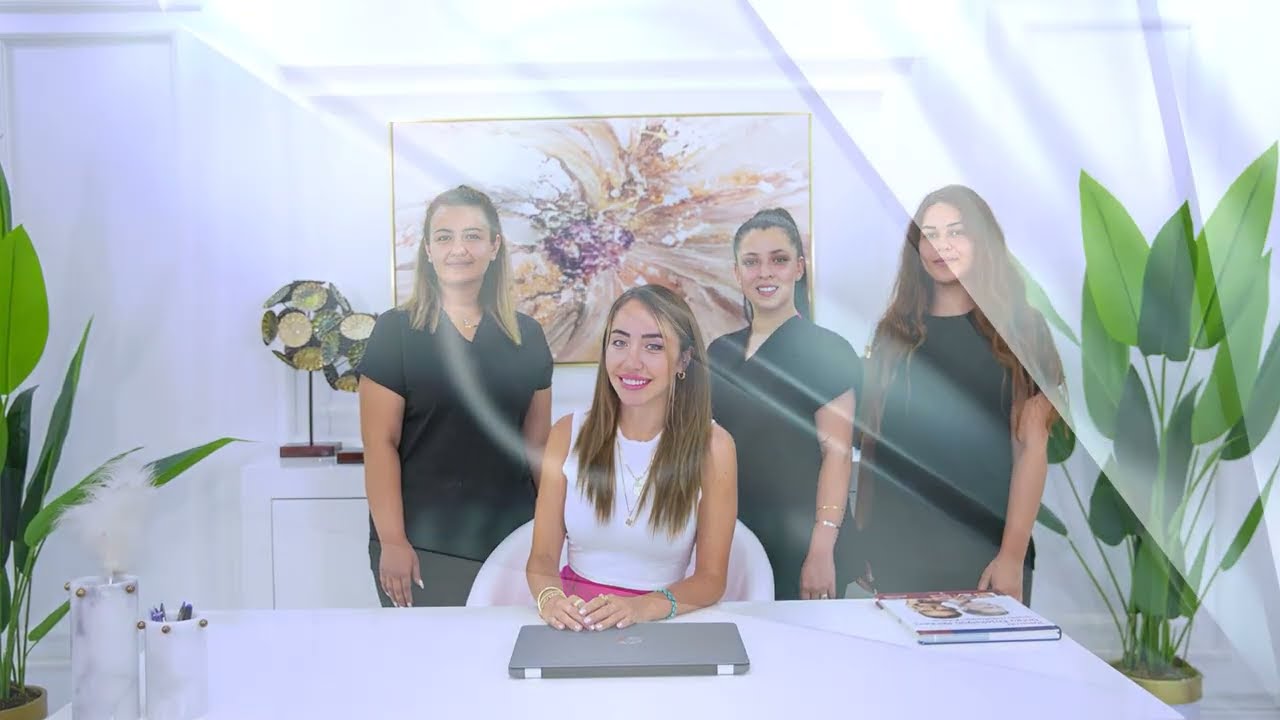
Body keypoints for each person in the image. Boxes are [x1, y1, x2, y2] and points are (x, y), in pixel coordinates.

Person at [854, 184, 1063, 605]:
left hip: (985, 550)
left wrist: (1011, 556)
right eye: (929, 235)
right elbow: (874, 440)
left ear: (982, 240)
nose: (941, 246)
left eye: (955, 232)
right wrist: (863, 539)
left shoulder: (1022, 330)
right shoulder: (893, 332)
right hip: (897, 547)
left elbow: (1032, 449)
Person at [358, 184, 554, 608]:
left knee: (507, 646)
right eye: (444, 237)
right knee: (428, 649)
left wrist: (553, 534)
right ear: (428, 249)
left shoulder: (528, 335)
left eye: (473, 236)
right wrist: (393, 541)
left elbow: (537, 446)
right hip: (419, 541)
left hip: (511, 537)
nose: (458, 249)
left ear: (494, 246)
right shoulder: (395, 332)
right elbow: (380, 444)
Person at [526, 284, 737, 631]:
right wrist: (550, 599)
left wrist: (641, 608)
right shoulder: (566, 434)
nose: (631, 362)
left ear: (684, 359)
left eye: (654, 346)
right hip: (576, 624)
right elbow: (542, 558)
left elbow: (711, 580)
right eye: (619, 342)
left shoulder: (714, 447)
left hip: (661, 623)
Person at [706, 208, 862, 601]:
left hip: (805, 542)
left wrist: (821, 550)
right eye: (751, 262)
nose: (765, 273)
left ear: (799, 268)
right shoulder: (719, 353)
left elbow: (837, 455)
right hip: (736, 537)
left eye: (778, 260)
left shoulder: (828, 351)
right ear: (737, 273)